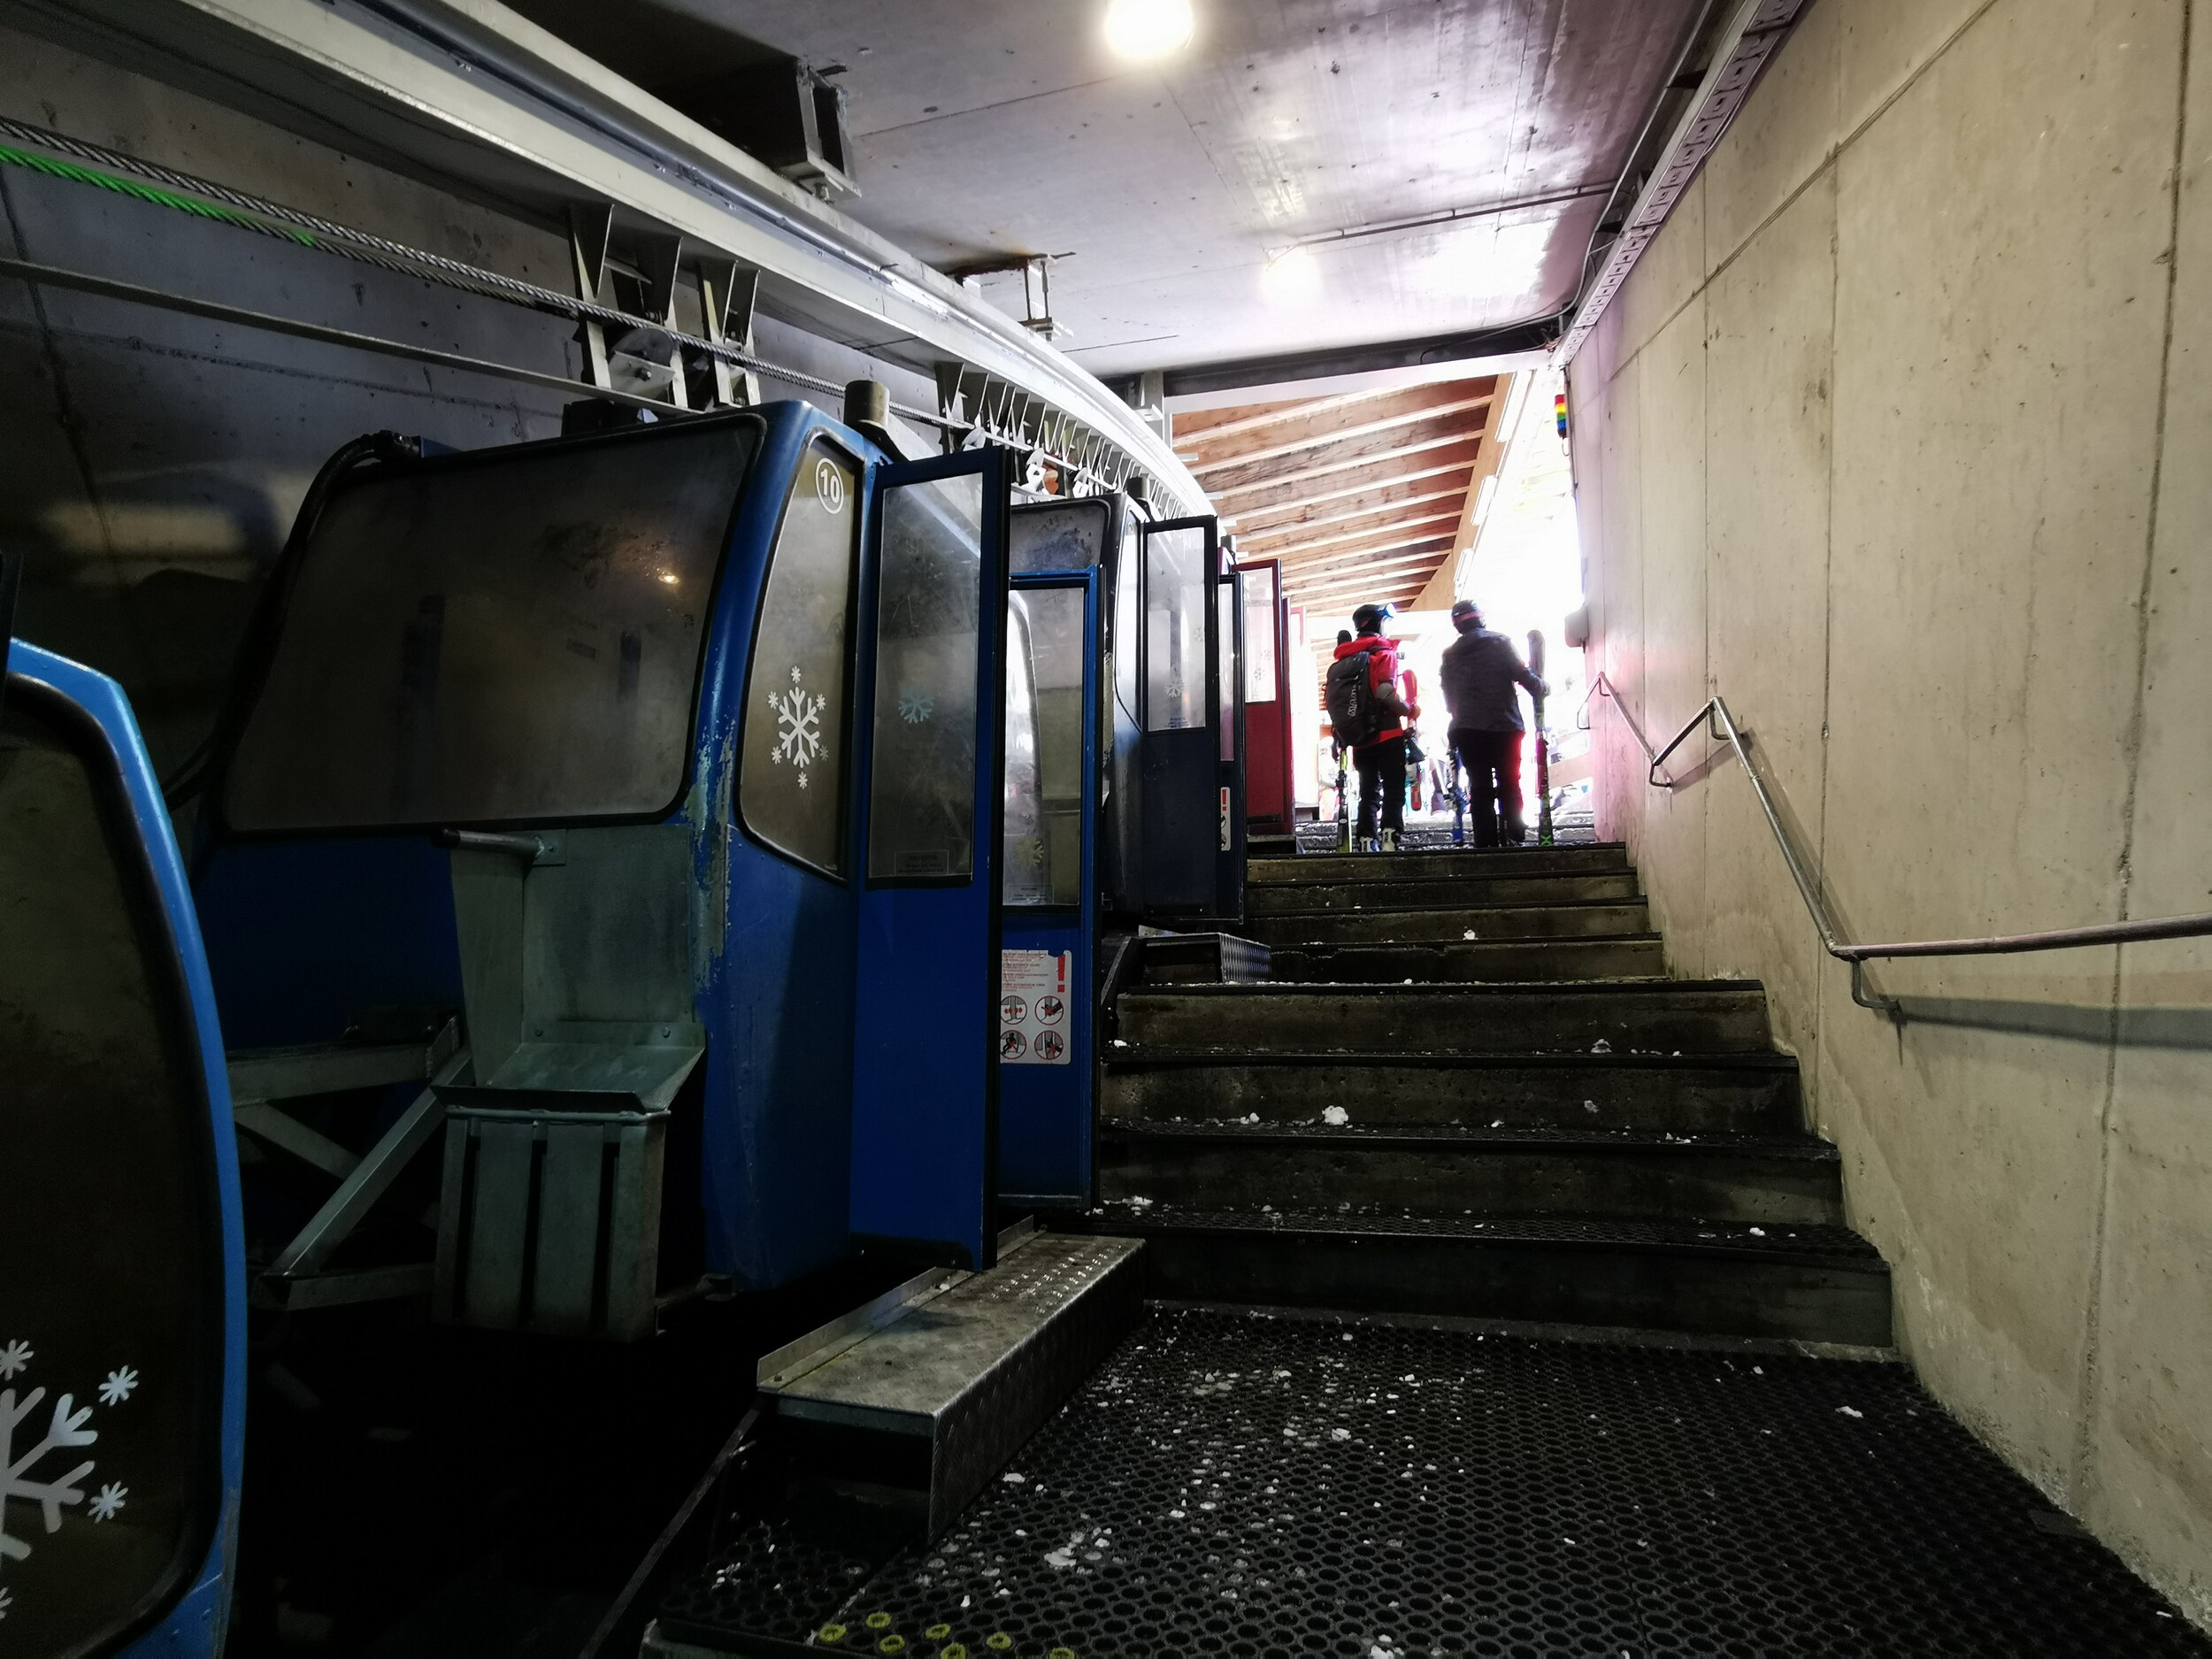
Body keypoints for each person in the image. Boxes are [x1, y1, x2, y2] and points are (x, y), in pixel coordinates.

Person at [1439, 598, 1547, 847]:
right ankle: (1514, 834)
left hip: (1465, 729)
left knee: (1479, 786)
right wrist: (1543, 687)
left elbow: (1448, 698)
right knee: (1509, 781)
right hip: (1503, 726)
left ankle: (1485, 843)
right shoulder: (1499, 643)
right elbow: (1524, 676)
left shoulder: (1449, 655)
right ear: (1481, 618)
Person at [1333, 603, 1417, 849]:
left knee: (1368, 791)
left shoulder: (1346, 658)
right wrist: (1409, 710)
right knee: (1393, 788)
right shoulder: (1383, 652)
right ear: (1377, 624)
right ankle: (1390, 836)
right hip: (1388, 734)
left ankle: (1366, 839)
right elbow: (1384, 692)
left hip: (1360, 738)